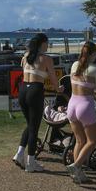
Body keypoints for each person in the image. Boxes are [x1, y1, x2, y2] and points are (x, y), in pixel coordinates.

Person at [12, 33, 62, 172]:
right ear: (42, 44)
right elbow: (52, 77)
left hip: (23, 90)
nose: (48, 45)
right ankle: (31, 163)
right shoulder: (46, 59)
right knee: (34, 128)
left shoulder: (26, 56)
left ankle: (19, 153)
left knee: (30, 124)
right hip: (35, 90)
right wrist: (59, 88)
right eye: (47, 43)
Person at [65, 41, 96, 184]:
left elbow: (81, 84)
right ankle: (76, 165)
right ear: (93, 53)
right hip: (84, 106)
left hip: (72, 105)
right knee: (92, 141)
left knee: (79, 141)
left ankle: (77, 174)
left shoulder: (75, 65)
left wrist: (93, 90)